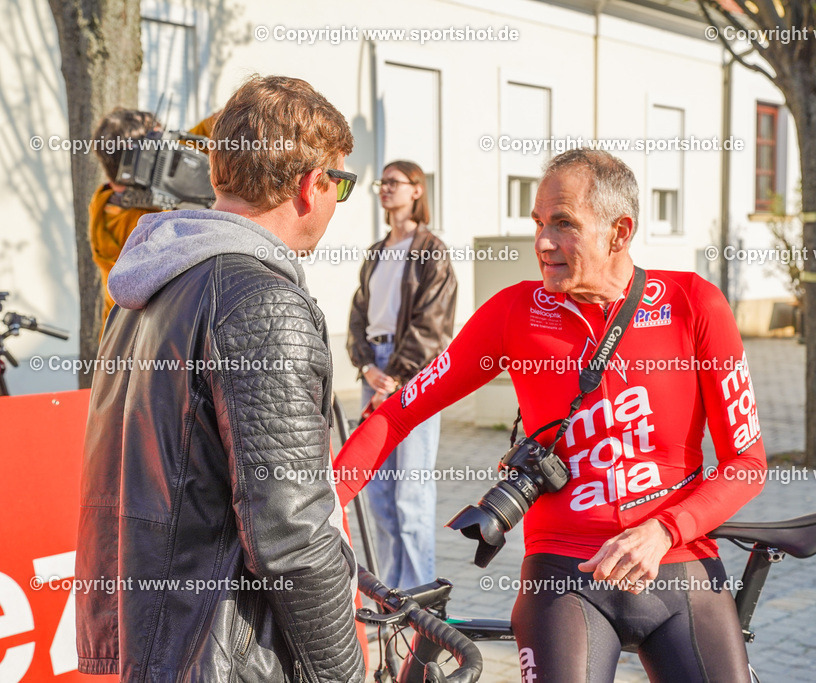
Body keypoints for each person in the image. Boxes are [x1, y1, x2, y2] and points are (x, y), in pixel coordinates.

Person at [336, 149, 767, 682]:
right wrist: (322, 506)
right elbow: (398, 414)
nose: (541, 243)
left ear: (619, 232)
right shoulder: (516, 311)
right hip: (564, 576)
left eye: (563, 224)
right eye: (538, 222)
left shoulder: (693, 304)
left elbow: (746, 462)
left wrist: (664, 530)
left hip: (678, 564)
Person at [76, 75, 364, 682]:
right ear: (312, 187)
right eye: (342, 181)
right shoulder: (260, 300)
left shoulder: (149, 285)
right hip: (224, 657)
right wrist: (344, 671)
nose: (339, 197)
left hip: (162, 643)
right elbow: (291, 533)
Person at [346, 160, 457, 589]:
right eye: (381, 182)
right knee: (379, 497)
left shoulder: (432, 251)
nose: (384, 189)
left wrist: (393, 376)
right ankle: (390, 595)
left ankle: (418, 598)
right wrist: (366, 366)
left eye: (393, 182)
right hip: (375, 370)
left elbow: (434, 325)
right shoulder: (376, 252)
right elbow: (358, 313)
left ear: (417, 190)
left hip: (412, 376)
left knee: (410, 493)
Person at [88, 108, 162, 324]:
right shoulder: (150, 219)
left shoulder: (101, 200)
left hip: (112, 342)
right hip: (149, 347)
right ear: (141, 160)